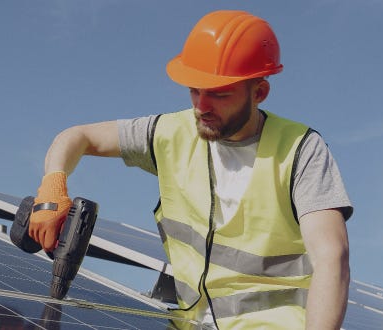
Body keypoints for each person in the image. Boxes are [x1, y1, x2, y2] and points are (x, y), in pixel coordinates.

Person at [25, 10, 352, 330]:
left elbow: (331, 256)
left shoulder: (300, 150)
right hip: (188, 322)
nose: (201, 106)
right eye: (194, 90)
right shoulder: (170, 133)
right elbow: (77, 137)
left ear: (260, 93)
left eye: (219, 94)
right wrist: (53, 186)